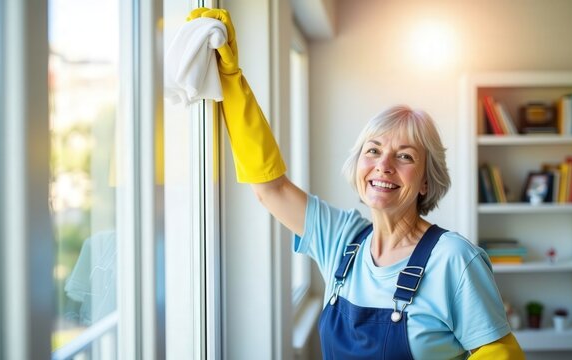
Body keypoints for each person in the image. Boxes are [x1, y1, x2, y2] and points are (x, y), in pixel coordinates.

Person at [188, 8, 525, 359]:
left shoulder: (455, 260)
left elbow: (501, 352)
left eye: (405, 156)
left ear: (426, 181)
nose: (383, 166)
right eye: (373, 150)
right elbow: (271, 188)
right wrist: (230, 79)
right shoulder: (341, 239)